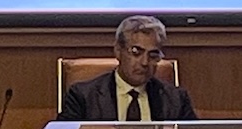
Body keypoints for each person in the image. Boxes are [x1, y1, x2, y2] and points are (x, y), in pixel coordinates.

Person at [58, 15, 198, 122]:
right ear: (118, 51)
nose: (145, 62)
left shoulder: (176, 99)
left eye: (153, 55)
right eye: (136, 52)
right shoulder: (83, 97)